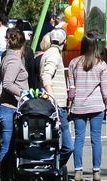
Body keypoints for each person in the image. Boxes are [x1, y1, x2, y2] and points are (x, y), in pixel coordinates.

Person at [68, 35, 107, 181]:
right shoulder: (101, 64)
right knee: (96, 139)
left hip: (78, 106)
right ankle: (96, 172)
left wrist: (69, 103)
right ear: (95, 46)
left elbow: (71, 88)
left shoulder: (73, 63)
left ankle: (78, 171)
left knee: (79, 138)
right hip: (96, 106)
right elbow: (105, 87)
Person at [0, 28, 29, 168]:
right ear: (22, 45)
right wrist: (24, 94)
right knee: (8, 145)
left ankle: (5, 172)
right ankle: (4, 173)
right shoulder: (14, 60)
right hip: (10, 108)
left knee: (8, 144)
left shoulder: (6, 57)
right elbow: (7, 83)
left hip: (6, 107)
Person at [39, 28, 74, 160]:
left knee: (53, 143)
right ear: (64, 41)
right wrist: (52, 98)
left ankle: (54, 166)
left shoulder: (48, 53)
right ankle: (56, 166)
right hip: (56, 105)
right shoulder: (54, 54)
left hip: (51, 105)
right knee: (68, 146)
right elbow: (46, 76)